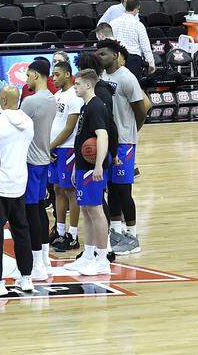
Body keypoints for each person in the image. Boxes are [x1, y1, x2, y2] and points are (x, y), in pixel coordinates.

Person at [96, 39, 151, 255]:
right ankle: (116, 232)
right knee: (111, 189)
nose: (100, 57)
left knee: (124, 190)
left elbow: (142, 109)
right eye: (98, 54)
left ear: (115, 55)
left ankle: (133, 235)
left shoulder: (127, 78)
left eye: (104, 54)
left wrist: (130, 132)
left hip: (124, 142)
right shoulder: (102, 76)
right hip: (108, 140)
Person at [0, 86, 36, 294]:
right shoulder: (28, 122)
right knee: (22, 231)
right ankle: (26, 277)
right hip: (20, 182)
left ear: (2, 99)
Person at [62, 69, 113, 276]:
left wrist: (99, 164)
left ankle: (102, 260)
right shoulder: (85, 107)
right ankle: (89, 255)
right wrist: (76, 165)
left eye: (78, 83)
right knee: (86, 210)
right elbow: (82, 140)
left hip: (93, 168)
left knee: (96, 211)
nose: (75, 86)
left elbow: (103, 136)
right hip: (83, 167)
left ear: (89, 85)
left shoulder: (96, 107)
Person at [18, 58, 56, 281]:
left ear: (35, 75)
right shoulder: (51, 98)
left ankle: (36, 265)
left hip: (31, 161)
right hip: (43, 159)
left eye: (27, 75)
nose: (26, 80)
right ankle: (44, 259)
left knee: (30, 211)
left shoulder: (31, 102)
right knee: (40, 209)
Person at [48, 60, 83, 253]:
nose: (54, 79)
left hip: (68, 149)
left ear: (68, 75)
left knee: (70, 191)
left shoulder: (75, 96)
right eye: (53, 75)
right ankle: (60, 230)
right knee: (57, 189)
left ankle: (73, 235)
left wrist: (51, 146)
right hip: (55, 149)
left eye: (57, 75)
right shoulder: (57, 95)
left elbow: (70, 128)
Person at [109, 0, 155, 77]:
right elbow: (145, 47)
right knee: (134, 87)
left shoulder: (113, 23)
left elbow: (110, 41)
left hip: (117, 58)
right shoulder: (138, 25)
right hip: (133, 60)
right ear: (136, 9)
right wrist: (151, 64)